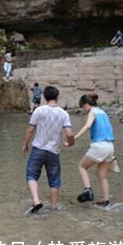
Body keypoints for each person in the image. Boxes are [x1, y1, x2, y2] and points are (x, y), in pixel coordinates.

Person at [22, 86, 75, 214]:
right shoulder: (63, 113)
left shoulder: (39, 110)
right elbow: (69, 133)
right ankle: (54, 206)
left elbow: (30, 129)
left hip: (38, 148)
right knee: (54, 179)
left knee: (31, 175)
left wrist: (25, 144)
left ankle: (36, 201)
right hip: (54, 151)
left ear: (45, 97)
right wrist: (70, 143)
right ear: (57, 97)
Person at [73, 94, 118, 207]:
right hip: (110, 146)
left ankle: (88, 190)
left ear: (87, 105)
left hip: (99, 146)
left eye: (83, 108)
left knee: (82, 166)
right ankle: (106, 201)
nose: (84, 110)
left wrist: (75, 137)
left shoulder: (92, 112)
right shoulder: (103, 113)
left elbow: (88, 126)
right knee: (102, 175)